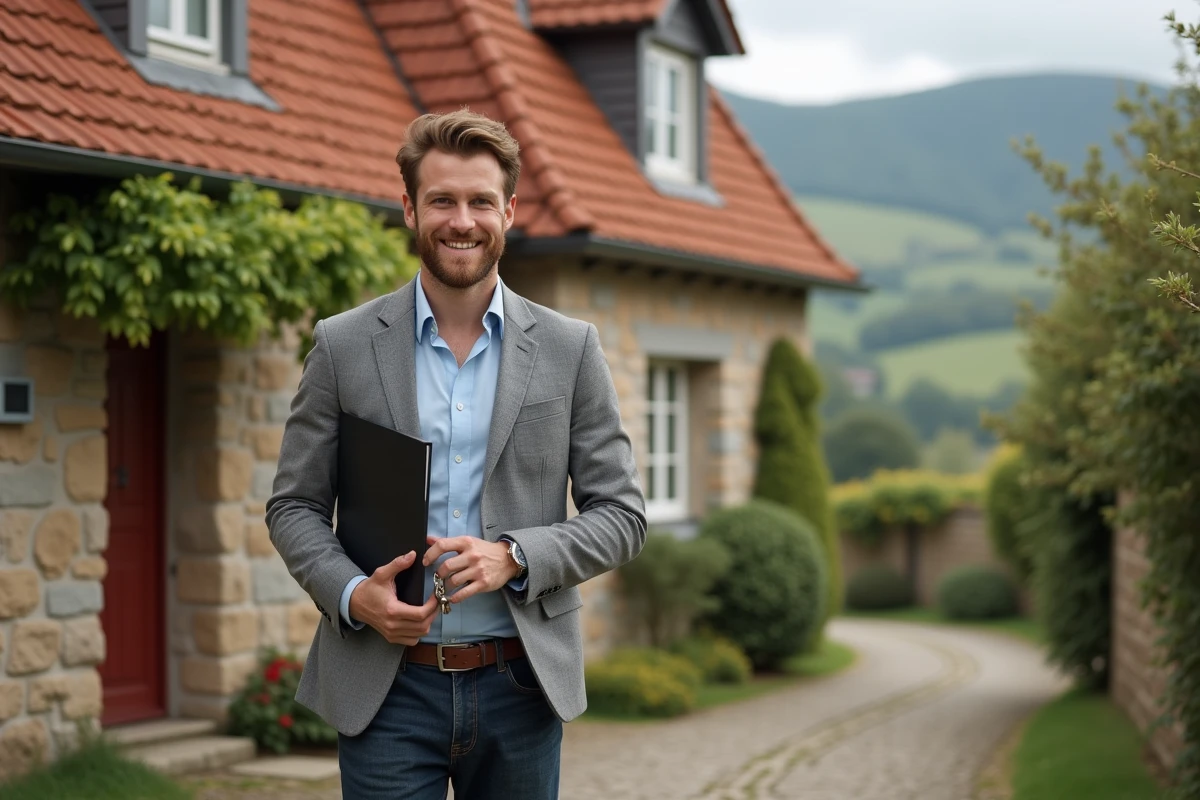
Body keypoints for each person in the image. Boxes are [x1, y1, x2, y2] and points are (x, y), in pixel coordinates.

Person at [265, 109, 647, 799]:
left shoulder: (571, 349)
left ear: (509, 211)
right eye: (442, 200)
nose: (461, 221)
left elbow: (622, 515)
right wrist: (354, 595)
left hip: (521, 684)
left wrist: (516, 556)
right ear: (410, 209)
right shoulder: (342, 346)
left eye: (480, 201)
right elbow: (293, 506)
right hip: (386, 688)